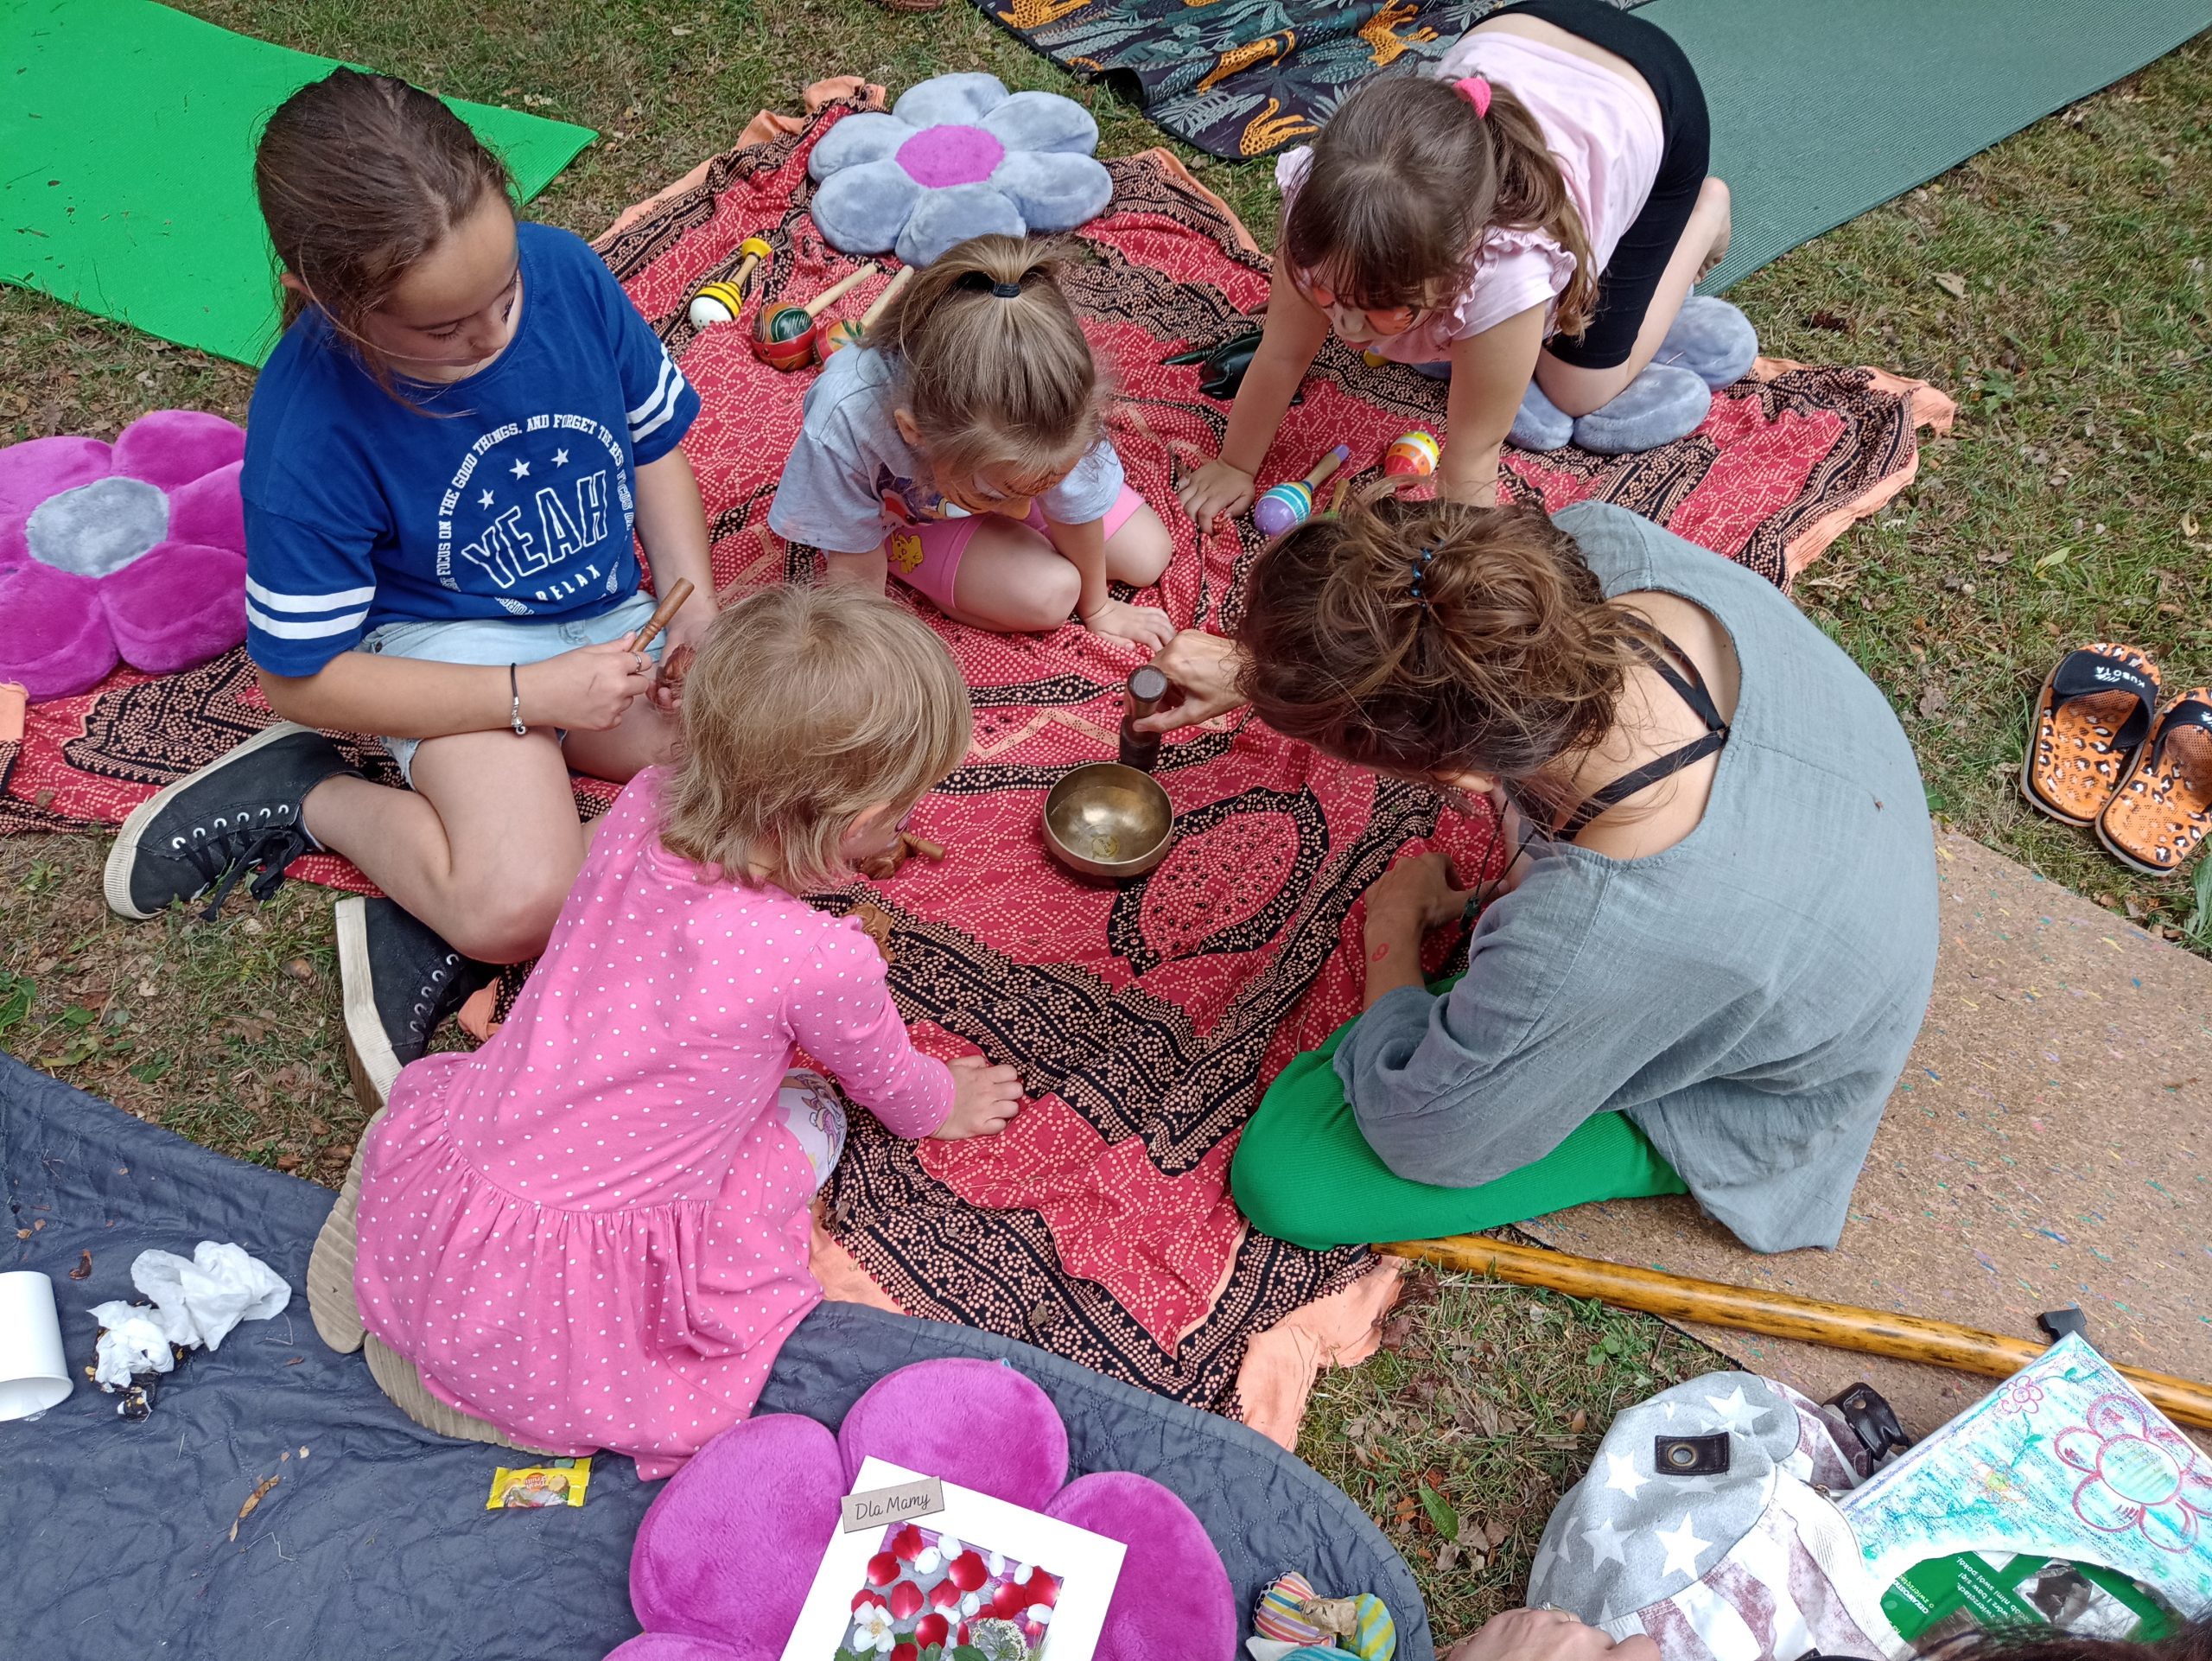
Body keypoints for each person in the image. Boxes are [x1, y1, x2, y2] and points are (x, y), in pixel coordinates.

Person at [304, 585, 1027, 1478]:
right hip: (570, 1292)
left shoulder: (644, 803)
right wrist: (946, 1099)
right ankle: (506, 1376)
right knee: (811, 1113)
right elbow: (890, 1082)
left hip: (472, 1190)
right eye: (907, 806)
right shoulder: (819, 957)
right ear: (858, 824)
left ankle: (421, 1306)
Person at [101, 68, 716, 1096]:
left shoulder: (566, 273)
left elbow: (652, 446)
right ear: (336, 305)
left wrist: (690, 598)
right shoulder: (309, 422)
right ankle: (318, 797)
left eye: (504, 291)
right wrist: (530, 696)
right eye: (442, 328)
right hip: (448, 651)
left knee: (755, 753)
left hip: (604, 625)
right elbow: (301, 677)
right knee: (519, 903)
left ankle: (445, 871)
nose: (492, 333)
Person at [1136, 496, 1937, 1253]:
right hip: (1838, 807)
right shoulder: (1603, 545)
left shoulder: (1602, 935)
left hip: (1763, 1078)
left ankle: (1675, 1142)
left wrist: (1393, 931)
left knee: (1292, 1178)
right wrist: (1261, 672)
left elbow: (1426, 1136)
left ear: (1460, 778)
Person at [1179, 0, 1730, 518]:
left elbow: (1470, 462)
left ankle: (1704, 215)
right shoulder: (1323, 212)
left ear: (1457, 272)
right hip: (1518, 27)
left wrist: (1451, 583)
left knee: (1579, 390)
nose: (1343, 328)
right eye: (1326, 294)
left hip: (1653, 95)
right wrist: (1235, 464)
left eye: (1383, 309)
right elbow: (1279, 354)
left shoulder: (1504, 272)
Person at [768, 234, 1176, 649]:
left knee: (1148, 555)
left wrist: (1099, 609)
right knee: (1052, 593)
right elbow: (854, 563)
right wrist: (874, 650)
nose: (1019, 512)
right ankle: (947, 563)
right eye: (1000, 492)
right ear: (916, 435)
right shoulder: (844, 418)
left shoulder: (1047, 386)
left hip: (992, 466)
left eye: (1036, 487)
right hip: (899, 517)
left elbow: (1079, 498)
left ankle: (1006, 495)